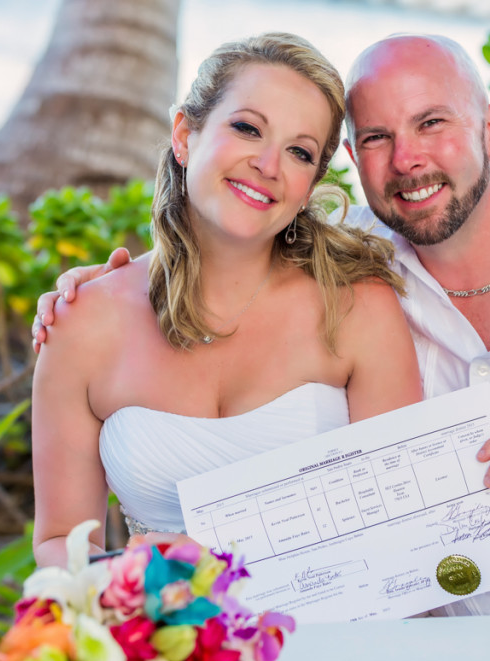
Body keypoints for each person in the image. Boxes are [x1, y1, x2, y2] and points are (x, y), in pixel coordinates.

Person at [33, 34, 490, 612]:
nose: (408, 159)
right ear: (350, 162)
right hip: (448, 641)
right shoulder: (360, 265)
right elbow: (231, 213)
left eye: (433, 122)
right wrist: (96, 290)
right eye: (378, 137)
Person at [30, 32, 422, 568]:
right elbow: (61, 544)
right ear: (185, 135)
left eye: (299, 152)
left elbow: (405, 527)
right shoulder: (82, 323)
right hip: (166, 643)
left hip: (341, 640)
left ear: (310, 186)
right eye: (246, 128)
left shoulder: (357, 309)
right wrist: (143, 585)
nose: (267, 164)